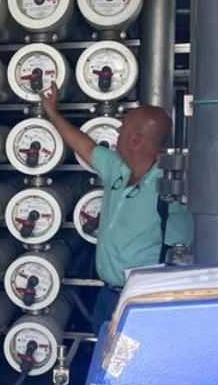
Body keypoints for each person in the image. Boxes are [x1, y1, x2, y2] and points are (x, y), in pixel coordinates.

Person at [39, 82, 193, 329]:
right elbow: (85, 146)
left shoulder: (171, 190)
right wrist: (52, 112)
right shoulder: (116, 169)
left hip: (145, 301)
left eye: (123, 128)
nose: (118, 132)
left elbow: (185, 247)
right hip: (108, 296)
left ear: (135, 139)